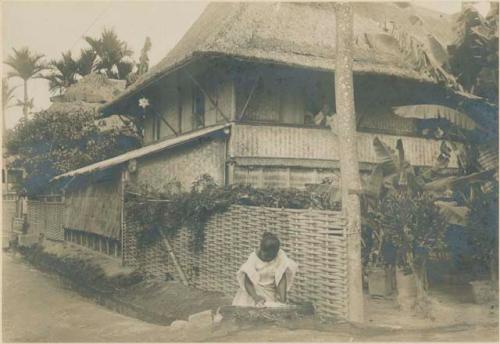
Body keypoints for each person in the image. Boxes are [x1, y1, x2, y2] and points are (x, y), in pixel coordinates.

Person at [232, 232, 298, 307]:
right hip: (253, 292)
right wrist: (256, 297)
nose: (268, 259)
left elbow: (281, 279)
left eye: (271, 257)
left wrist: (283, 301)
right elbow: (247, 281)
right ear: (261, 249)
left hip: (269, 292)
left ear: (276, 253)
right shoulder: (253, 258)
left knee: (269, 311)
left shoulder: (280, 257)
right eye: (266, 256)